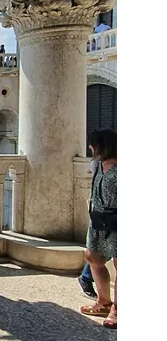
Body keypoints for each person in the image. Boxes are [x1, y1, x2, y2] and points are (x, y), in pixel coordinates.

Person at [79, 129, 117, 329]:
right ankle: (103, 302)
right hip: (98, 218)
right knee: (93, 257)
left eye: (93, 144)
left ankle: (117, 310)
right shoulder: (96, 164)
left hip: (118, 219)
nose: (90, 148)